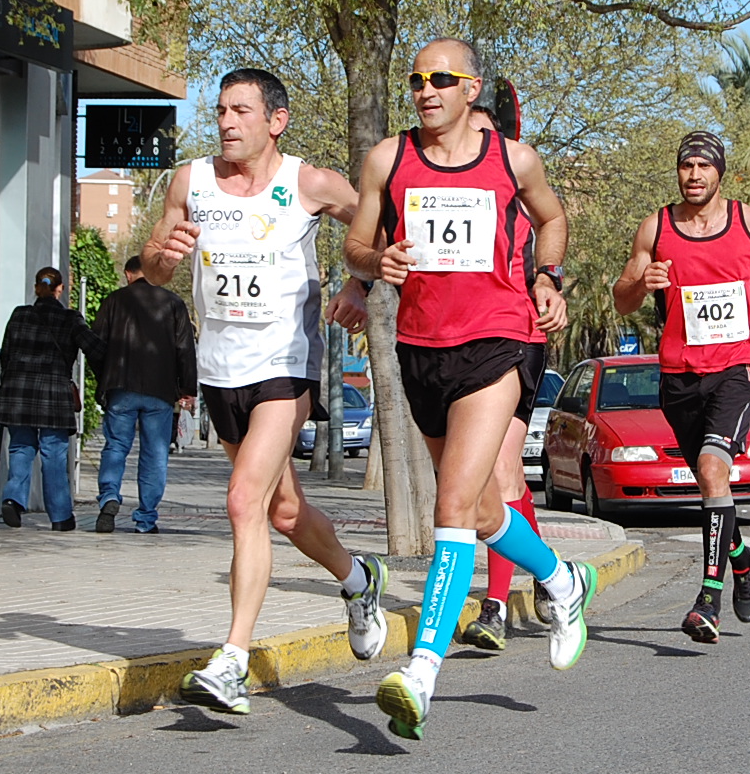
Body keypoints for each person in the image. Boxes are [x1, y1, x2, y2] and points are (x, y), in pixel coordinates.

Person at [345, 37, 595, 740]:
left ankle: (420, 672)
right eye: (417, 79)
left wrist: (549, 280)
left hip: (500, 339)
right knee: (484, 511)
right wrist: (377, 258)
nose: (426, 90)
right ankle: (561, 580)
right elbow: (356, 244)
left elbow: (553, 219)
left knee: (452, 504)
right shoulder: (387, 160)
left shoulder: (513, 160)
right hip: (421, 349)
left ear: (471, 88)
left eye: (441, 79)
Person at [141, 67, 387, 716]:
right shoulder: (190, 182)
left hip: (284, 367)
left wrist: (359, 286)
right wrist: (165, 256)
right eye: (221, 110)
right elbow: (154, 265)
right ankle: (361, 580)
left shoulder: (308, 182)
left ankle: (232, 660)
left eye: (241, 111)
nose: (226, 122)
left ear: (275, 121)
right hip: (219, 372)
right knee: (281, 511)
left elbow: (376, 231)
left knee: (241, 500)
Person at [612, 131, 750, 643]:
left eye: (703, 166)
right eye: (685, 166)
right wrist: (639, 283)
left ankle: (706, 601)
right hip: (678, 374)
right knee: (708, 482)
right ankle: (742, 560)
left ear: (720, 172)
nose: (694, 175)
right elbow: (621, 300)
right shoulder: (656, 228)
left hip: (739, 365)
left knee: (714, 467)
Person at [459, 90, 561, 650]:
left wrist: (549, 283)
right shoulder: (439, 186)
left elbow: (552, 226)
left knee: (499, 474)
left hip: (517, 340)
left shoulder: (515, 185)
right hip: (456, 348)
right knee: (501, 482)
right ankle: (551, 574)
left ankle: (495, 605)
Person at [0, 267, 106, 532]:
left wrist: (11, 380)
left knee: (20, 447)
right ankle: (61, 516)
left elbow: (5, 354)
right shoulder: (70, 319)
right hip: (53, 396)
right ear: (60, 289)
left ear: (36, 287)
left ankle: (13, 499)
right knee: (54, 454)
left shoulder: (19, 315)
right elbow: (96, 350)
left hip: (18, 393)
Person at [90, 255, 198, 535]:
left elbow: (95, 344)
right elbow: (185, 349)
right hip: (160, 391)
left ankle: (109, 497)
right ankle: (146, 518)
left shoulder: (114, 301)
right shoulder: (173, 303)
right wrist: (187, 390)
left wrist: (104, 378)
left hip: (121, 387)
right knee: (155, 454)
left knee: (115, 446)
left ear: (129, 274)